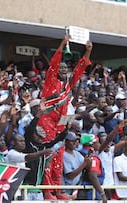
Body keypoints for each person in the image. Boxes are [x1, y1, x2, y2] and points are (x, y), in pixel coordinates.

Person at [37, 35, 93, 200]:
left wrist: (88, 51)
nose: (63, 70)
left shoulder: (68, 83)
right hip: (46, 119)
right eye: (60, 68)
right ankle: (47, 191)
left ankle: (58, 189)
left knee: (59, 157)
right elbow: (54, 62)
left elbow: (80, 68)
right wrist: (63, 44)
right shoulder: (50, 79)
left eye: (65, 69)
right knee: (48, 155)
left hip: (61, 123)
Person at [6, 133, 53, 199]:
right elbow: (27, 157)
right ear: (13, 142)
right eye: (20, 141)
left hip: (18, 189)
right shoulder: (11, 153)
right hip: (10, 189)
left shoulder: (21, 154)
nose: (23, 143)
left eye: (24, 141)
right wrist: (42, 152)